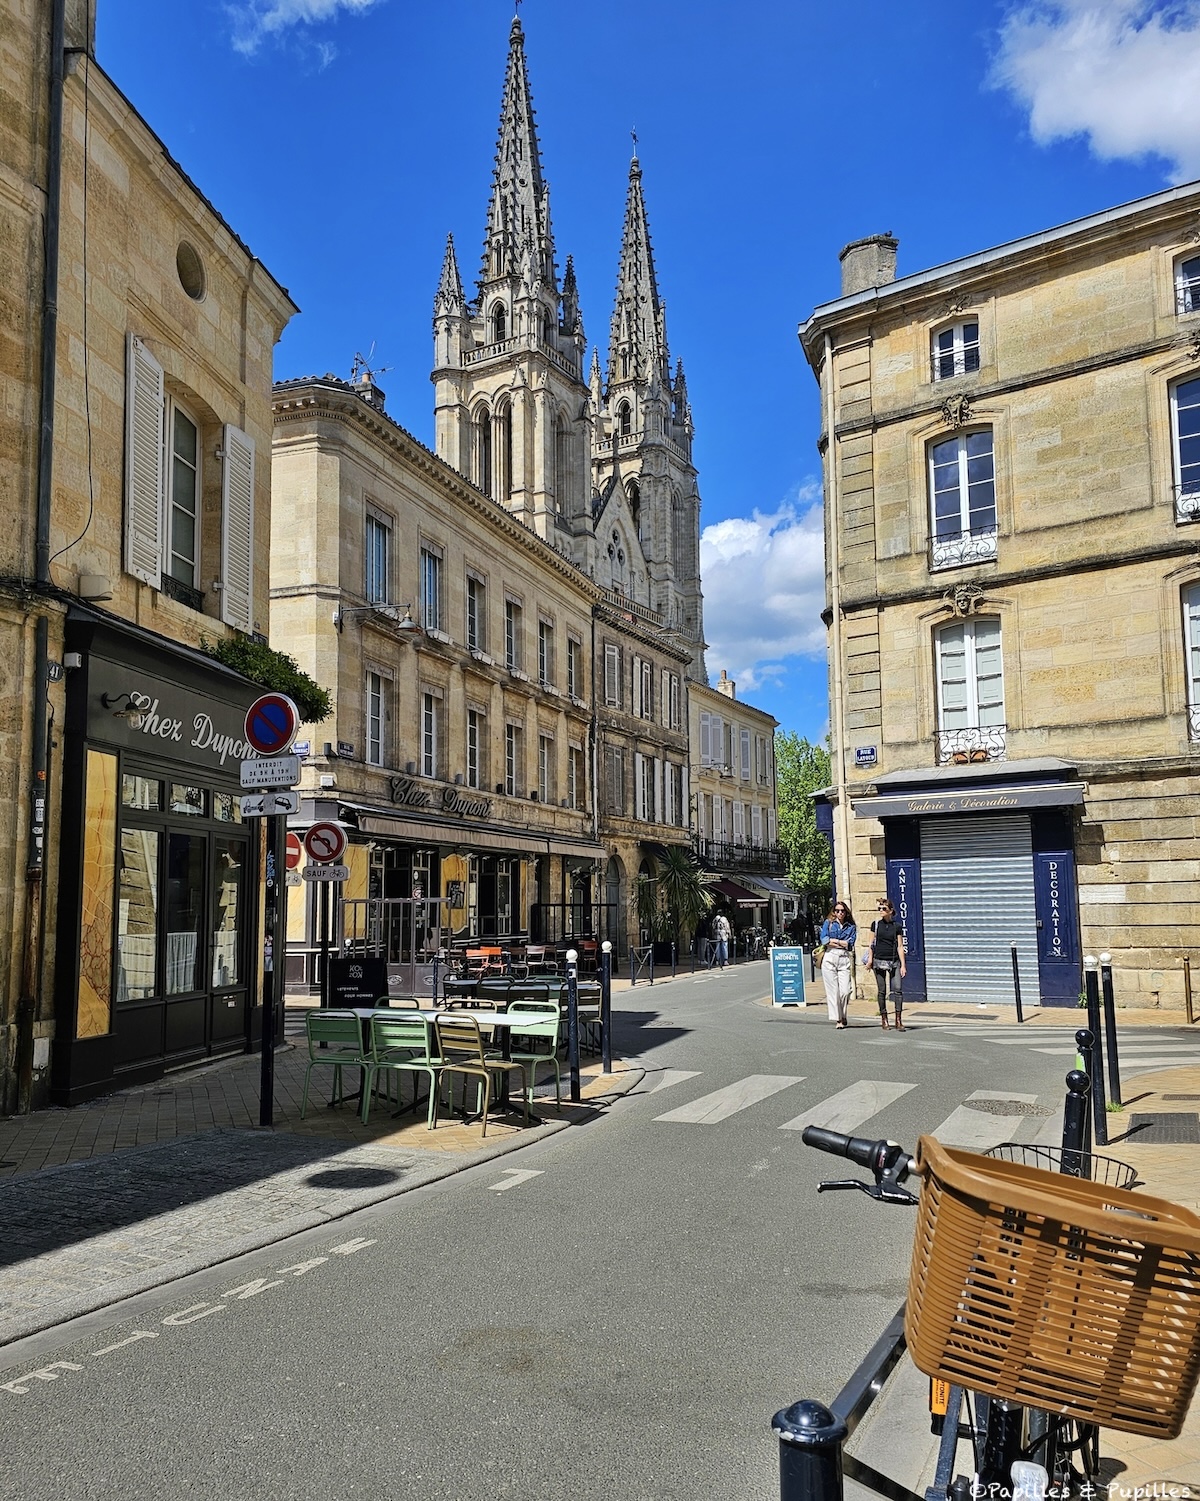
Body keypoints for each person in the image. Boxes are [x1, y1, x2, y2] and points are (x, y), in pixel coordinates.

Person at [865, 898, 907, 1031]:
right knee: (882, 991)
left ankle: (898, 1020)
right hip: (879, 960)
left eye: (884, 909)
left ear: (891, 911)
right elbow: (871, 944)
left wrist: (903, 965)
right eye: (879, 909)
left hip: (894, 961)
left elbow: (900, 946)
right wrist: (870, 960)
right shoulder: (876, 924)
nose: (881, 911)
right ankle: (884, 1018)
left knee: (898, 990)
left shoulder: (897, 926)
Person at [819, 900, 856, 1028]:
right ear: (834, 912)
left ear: (846, 912)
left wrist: (834, 941)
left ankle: (843, 1014)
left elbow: (850, 944)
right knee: (833, 991)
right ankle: (838, 1020)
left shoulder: (850, 926)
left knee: (845, 990)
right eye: (837, 911)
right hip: (830, 956)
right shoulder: (828, 923)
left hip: (844, 958)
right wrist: (841, 942)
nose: (840, 913)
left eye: (842, 911)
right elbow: (824, 940)